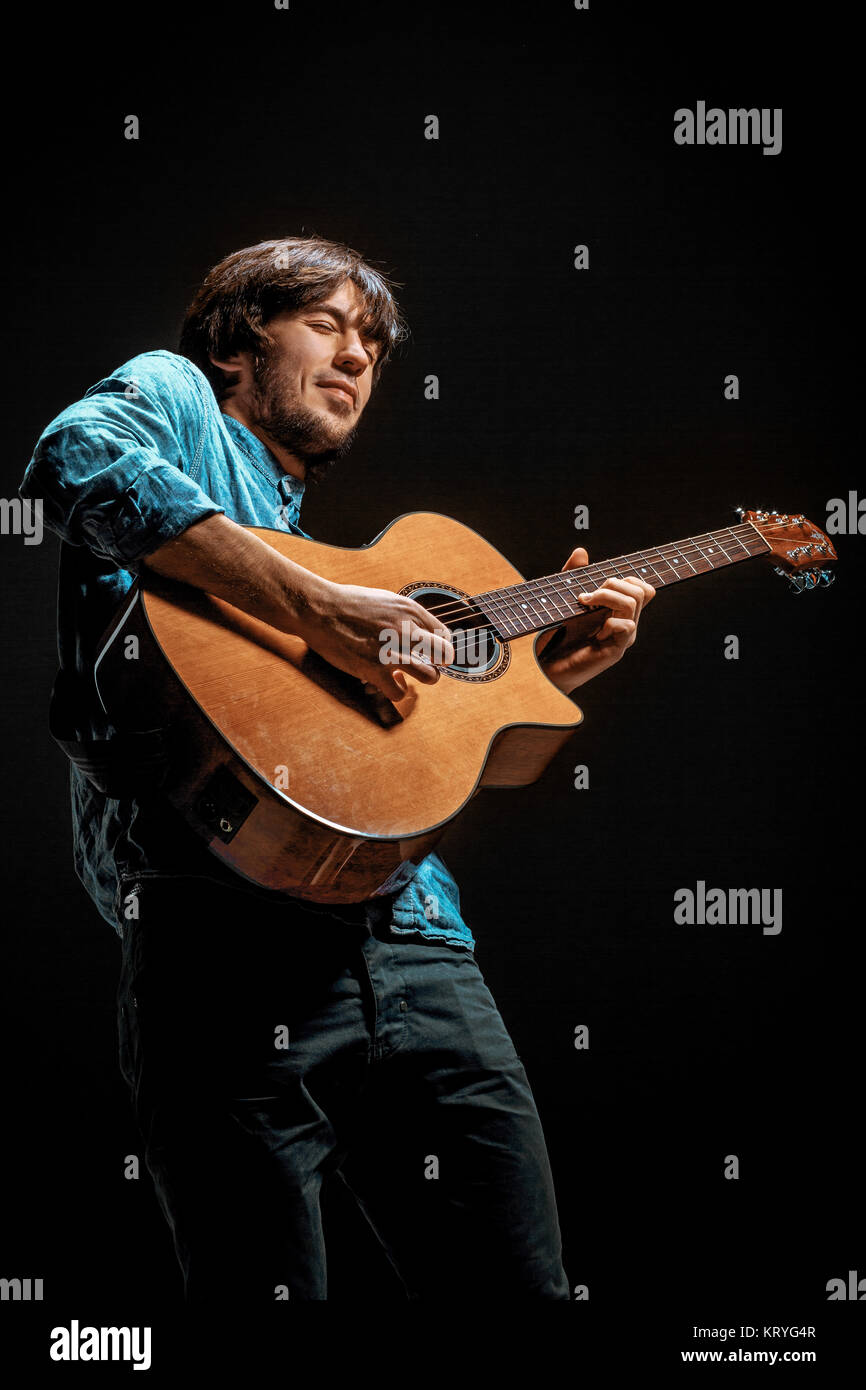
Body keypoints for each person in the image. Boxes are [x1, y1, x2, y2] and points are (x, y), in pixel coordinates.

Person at [19, 235, 654, 1304]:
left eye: (373, 341)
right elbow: (77, 456)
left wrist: (538, 679)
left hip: (413, 945)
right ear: (237, 343)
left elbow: (394, 770)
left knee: (525, 1299)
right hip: (217, 952)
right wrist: (318, 610)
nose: (359, 355)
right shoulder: (178, 398)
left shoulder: (322, 549)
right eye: (327, 322)